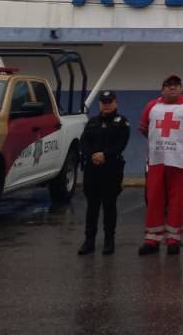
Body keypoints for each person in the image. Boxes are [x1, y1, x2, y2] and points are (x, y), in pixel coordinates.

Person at [138, 74, 183, 255]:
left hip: (180, 162)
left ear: (181, 88)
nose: (173, 88)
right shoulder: (151, 106)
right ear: (162, 89)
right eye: (169, 85)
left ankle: (174, 239)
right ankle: (152, 239)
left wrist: (182, 144)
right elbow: (144, 129)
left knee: (178, 200)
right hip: (157, 161)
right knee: (154, 199)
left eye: (176, 85)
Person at [77, 90, 130, 256]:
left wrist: (104, 155)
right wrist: (92, 155)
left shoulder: (122, 122)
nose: (106, 105)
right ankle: (89, 241)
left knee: (109, 206)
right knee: (92, 206)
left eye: (109, 102)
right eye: (104, 102)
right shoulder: (92, 122)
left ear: (115, 103)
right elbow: (83, 142)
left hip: (111, 169)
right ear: (100, 104)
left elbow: (121, 144)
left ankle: (109, 241)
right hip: (93, 169)